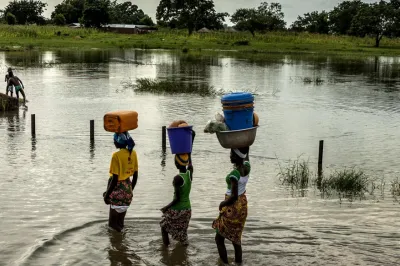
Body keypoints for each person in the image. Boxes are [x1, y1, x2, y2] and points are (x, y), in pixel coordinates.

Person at [212, 147, 250, 264]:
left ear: (238, 157)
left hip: (232, 206)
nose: (230, 156)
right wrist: (246, 142)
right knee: (236, 238)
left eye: (232, 154)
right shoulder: (247, 167)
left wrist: (222, 203)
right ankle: (238, 263)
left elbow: (233, 196)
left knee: (219, 238)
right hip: (242, 205)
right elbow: (246, 154)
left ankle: (224, 263)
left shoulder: (235, 173)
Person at [160, 130, 196, 246]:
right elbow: (190, 157)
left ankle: (165, 251)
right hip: (188, 209)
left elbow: (177, 199)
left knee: (164, 227)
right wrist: (191, 140)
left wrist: (166, 207)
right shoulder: (189, 174)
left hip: (179, 209)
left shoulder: (177, 179)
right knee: (183, 235)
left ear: (176, 164)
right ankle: (184, 256)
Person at [103, 131, 139, 232]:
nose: (113, 142)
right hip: (128, 189)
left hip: (117, 190)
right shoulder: (133, 153)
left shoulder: (116, 156)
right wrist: (130, 191)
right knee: (120, 224)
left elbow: (114, 179)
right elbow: (135, 176)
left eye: (114, 140)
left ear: (118, 142)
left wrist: (106, 196)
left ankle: (118, 246)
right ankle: (123, 245)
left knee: (112, 226)